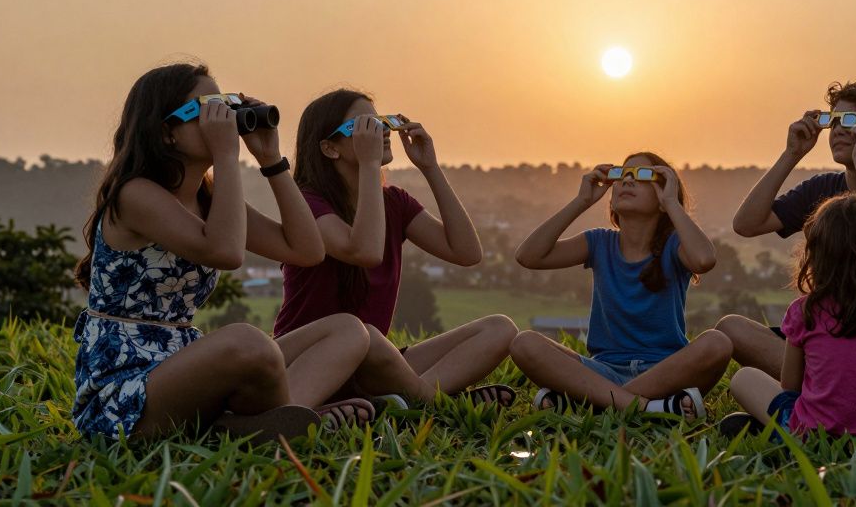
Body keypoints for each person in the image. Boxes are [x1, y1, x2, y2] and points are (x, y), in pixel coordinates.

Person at [73, 64, 376, 441]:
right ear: (166, 131)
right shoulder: (136, 194)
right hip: (122, 397)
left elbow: (306, 250)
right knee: (248, 342)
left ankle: (269, 422)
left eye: (226, 106)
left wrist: (272, 161)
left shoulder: (209, 200)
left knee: (346, 328)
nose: (224, 120)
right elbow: (226, 252)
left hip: (184, 369)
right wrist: (228, 156)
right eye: (208, 109)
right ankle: (289, 420)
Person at [274, 89, 518, 408]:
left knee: (499, 328)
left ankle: (399, 398)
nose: (382, 132)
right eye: (365, 126)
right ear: (330, 148)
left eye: (382, 122)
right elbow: (365, 251)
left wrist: (430, 167)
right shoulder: (308, 204)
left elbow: (466, 252)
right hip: (314, 362)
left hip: (375, 363)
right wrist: (371, 166)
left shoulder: (394, 202)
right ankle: (440, 404)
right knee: (366, 335)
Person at [720, 82, 856, 379]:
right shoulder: (821, 188)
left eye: (852, 121)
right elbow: (746, 224)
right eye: (833, 121)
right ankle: (829, 385)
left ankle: (825, 389)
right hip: (822, 335)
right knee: (731, 328)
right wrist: (791, 154)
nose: (839, 130)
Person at [508, 153, 731, 418]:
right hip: (604, 370)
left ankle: (594, 401)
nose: (627, 180)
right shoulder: (599, 243)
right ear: (611, 200)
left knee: (717, 343)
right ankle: (647, 408)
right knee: (525, 343)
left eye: (643, 176)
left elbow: (704, 259)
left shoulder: (676, 246)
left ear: (662, 196)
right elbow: (529, 256)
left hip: (666, 371)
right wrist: (582, 201)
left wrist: (672, 203)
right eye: (621, 175)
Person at [727, 195, 856, 439]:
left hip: (818, 434)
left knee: (744, 378)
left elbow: (790, 388)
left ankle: (781, 431)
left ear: (818, 254)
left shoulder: (804, 311)